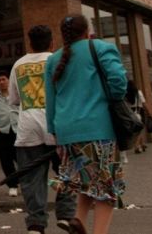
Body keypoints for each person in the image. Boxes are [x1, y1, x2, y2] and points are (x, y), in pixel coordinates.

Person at [45, 15, 127, 234]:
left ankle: (79, 220)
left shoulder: (53, 60)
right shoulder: (100, 48)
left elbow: (50, 100)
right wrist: (111, 98)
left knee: (87, 180)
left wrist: (53, 131)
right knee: (106, 189)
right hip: (98, 128)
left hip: (66, 132)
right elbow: (119, 82)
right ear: (87, 30)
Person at [7, 25, 76, 234]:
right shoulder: (58, 60)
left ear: (30, 43)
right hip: (58, 126)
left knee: (31, 178)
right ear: (51, 42)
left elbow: (14, 99)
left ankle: (36, 224)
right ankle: (65, 214)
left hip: (28, 128)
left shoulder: (18, 65)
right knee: (67, 170)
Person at [125, 78, 148, 154]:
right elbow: (144, 103)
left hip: (130, 113)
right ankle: (137, 146)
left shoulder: (126, 94)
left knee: (136, 129)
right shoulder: (138, 92)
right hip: (139, 111)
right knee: (140, 130)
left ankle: (142, 144)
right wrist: (148, 112)